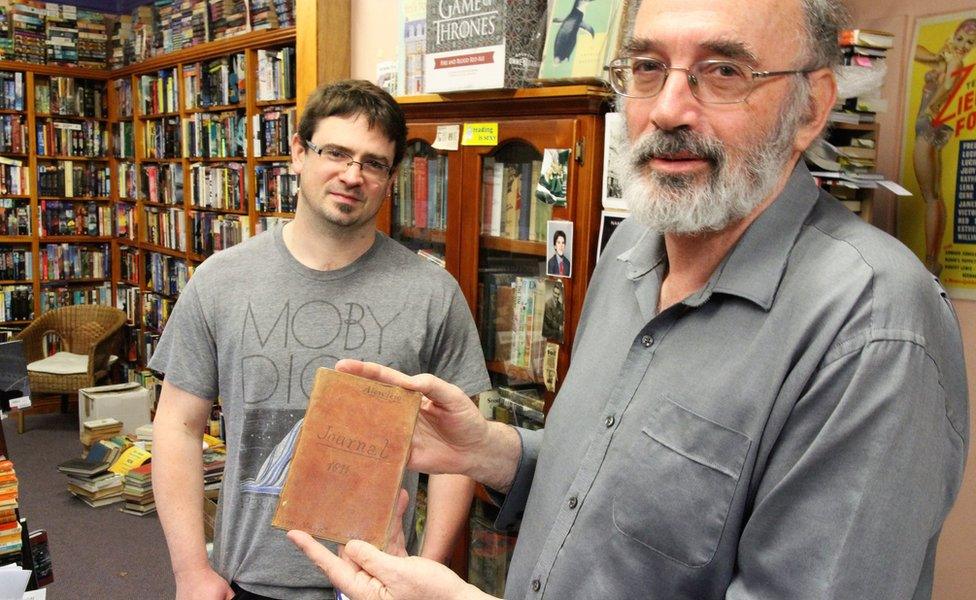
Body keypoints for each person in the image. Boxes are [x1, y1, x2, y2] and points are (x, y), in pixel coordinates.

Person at [287, 1, 969, 599]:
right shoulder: (630, 251)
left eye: (724, 71)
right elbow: (615, 481)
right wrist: (491, 451)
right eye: (647, 67)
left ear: (812, 107)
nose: (668, 109)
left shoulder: (874, 327)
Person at [150, 80, 491, 600]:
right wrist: (190, 570)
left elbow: (457, 453)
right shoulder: (221, 281)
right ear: (298, 153)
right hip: (249, 580)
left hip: (381, 584)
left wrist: (426, 569)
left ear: (390, 178)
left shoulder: (432, 294)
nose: (352, 175)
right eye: (336, 152)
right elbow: (177, 425)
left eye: (374, 163)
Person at [911, 19, 976, 275]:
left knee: (930, 196)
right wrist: (940, 55)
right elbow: (917, 51)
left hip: (929, 127)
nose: (962, 46)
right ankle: (931, 260)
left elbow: (949, 84)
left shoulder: (955, 62)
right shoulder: (944, 58)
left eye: (969, 43)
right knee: (932, 194)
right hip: (927, 126)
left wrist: (930, 108)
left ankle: (930, 261)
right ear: (953, 35)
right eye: (960, 39)